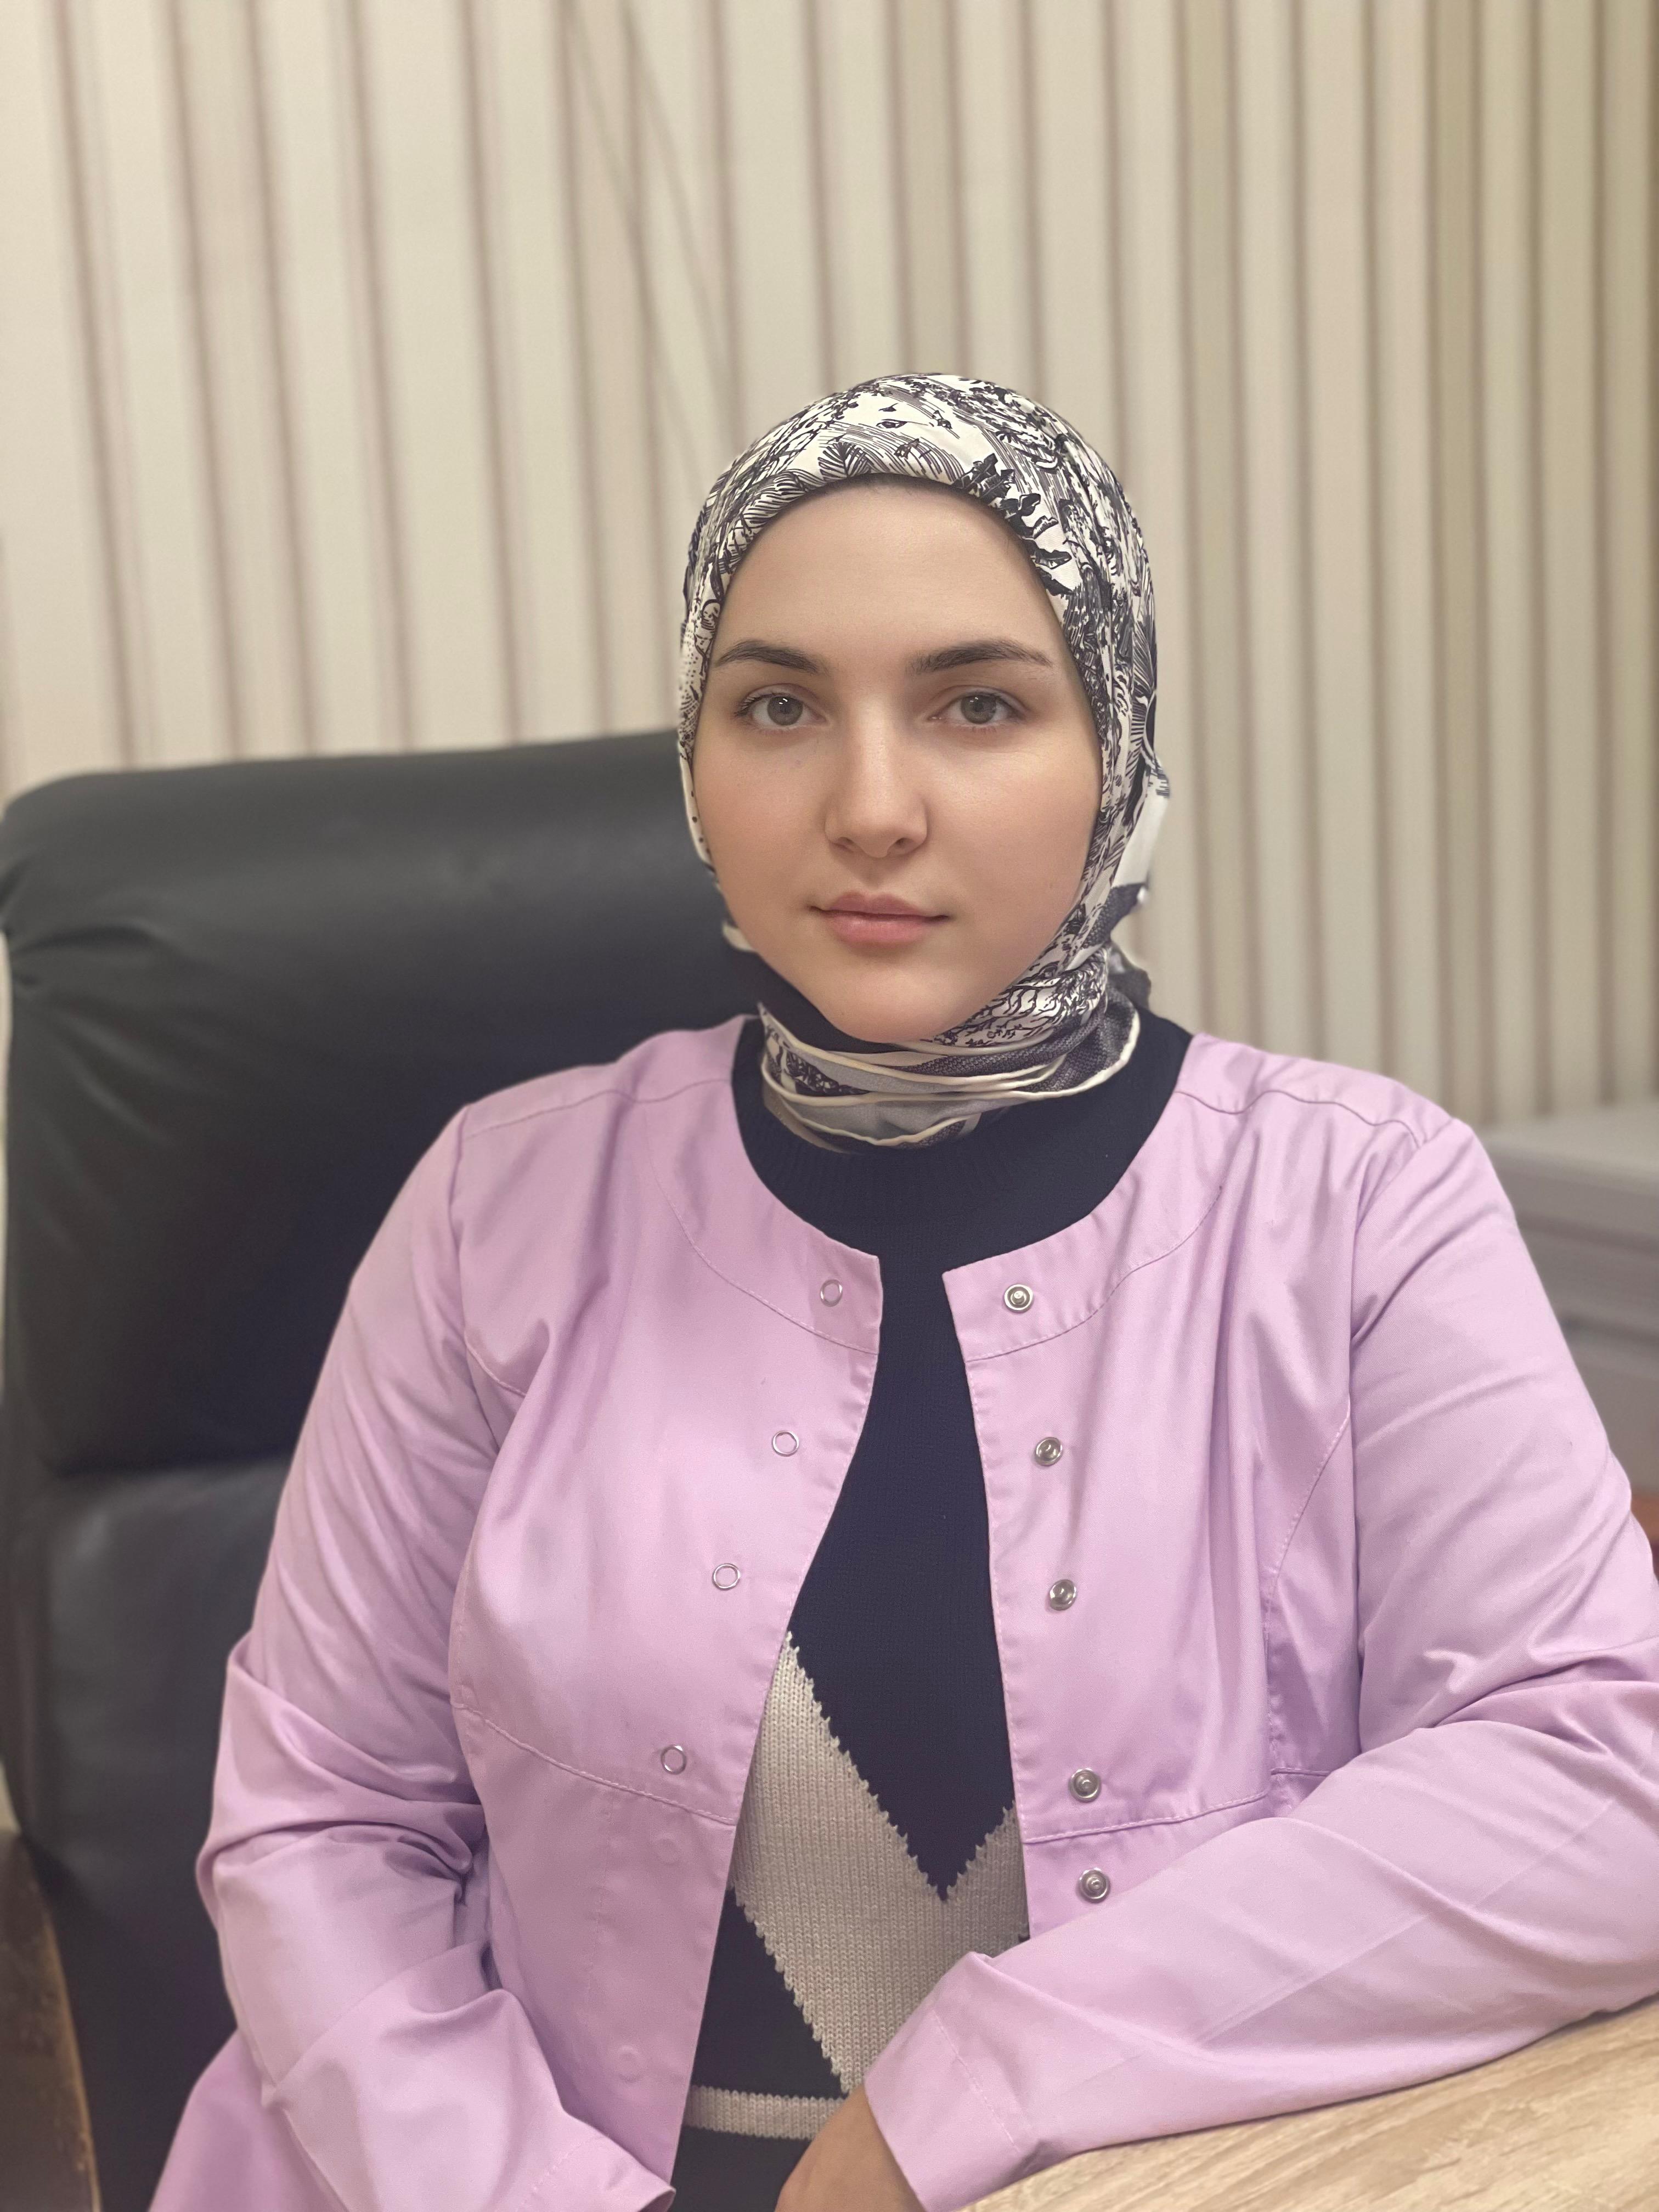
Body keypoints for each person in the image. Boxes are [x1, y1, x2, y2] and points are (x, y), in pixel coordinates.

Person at [153, 376, 1659, 2212]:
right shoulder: (499, 1204)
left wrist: (964, 2096)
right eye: (779, 706)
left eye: (980, 704)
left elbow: (1602, 1776)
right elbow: (325, 1826)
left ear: (1115, 754)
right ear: (696, 762)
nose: (869, 809)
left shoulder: (1357, 1200)